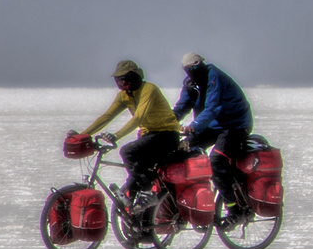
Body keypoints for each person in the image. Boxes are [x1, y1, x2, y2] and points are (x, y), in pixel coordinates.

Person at [80, 59, 187, 209]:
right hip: (149, 136)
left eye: (126, 78)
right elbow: (107, 116)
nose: (123, 82)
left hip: (167, 134)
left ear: (135, 76)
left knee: (128, 151)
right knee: (135, 175)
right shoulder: (124, 95)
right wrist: (83, 135)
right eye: (119, 79)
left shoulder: (148, 89)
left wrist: (116, 135)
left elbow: (139, 118)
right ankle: (140, 223)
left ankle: (147, 190)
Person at [173, 53, 255, 222]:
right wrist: (165, 123)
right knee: (182, 152)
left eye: (194, 68)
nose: (191, 72)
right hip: (212, 126)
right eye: (188, 70)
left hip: (235, 125)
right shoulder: (190, 83)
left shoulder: (214, 76)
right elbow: (182, 107)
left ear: (201, 64)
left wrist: (193, 127)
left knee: (217, 161)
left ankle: (235, 209)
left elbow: (212, 109)